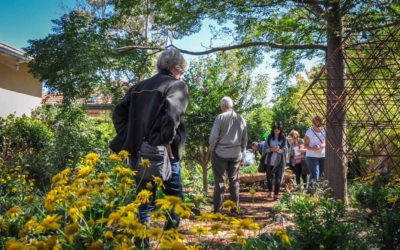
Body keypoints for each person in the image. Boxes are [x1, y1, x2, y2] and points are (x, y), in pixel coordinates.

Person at [110, 48, 189, 249]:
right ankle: (168, 243)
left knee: (143, 202)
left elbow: (118, 114)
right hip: (165, 154)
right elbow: (172, 117)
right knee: (175, 202)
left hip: (137, 153)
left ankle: (142, 245)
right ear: (175, 67)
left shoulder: (138, 87)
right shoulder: (176, 84)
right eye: (182, 70)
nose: (182, 74)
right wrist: (164, 140)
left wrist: (130, 137)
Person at [209, 96, 247, 214]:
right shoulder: (241, 119)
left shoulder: (220, 117)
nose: (221, 108)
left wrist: (212, 149)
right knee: (234, 182)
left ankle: (217, 209)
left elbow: (213, 137)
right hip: (235, 154)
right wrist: (242, 152)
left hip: (220, 153)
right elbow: (245, 138)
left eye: (221, 105)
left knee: (220, 181)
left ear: (225, 106)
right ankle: (235, 209)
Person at [261, 122, 288, 200]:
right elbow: (264, 149)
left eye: (278, 129)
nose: (276, 130)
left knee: (278, 179)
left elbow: (286, 149)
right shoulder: (269, 138)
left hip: (279, 162)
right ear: (273, 129)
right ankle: (270, 192)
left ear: (280, 130)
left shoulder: (284, 139)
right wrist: (271, 149)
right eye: (275, 129)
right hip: (269, 161)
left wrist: (278, 150)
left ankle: (276, 194)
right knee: (269, 178)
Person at [304, 116, 326, 183]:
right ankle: (312, 192)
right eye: (315, 121)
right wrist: (312, 148)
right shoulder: (309, 132)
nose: (317, 122)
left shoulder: (325, 131)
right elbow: (305, 145)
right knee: (315, 174)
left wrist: (321, 145)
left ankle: (319, 192)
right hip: (311, 156)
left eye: (319, 121)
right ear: (313, 122)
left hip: (323, 156)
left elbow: (328, 142)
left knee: (322, 175)